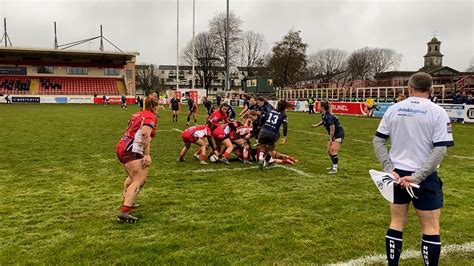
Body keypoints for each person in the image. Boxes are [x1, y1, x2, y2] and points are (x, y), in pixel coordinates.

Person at [372, 72, 454, 266]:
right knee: (430, 227)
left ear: (409, 88)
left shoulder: (394, 109)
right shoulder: (438, 112)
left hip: (397, 175)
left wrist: (388, 168)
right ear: (432, 90)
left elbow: (378, 140)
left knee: (396, 223)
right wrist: (417, 177)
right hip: (424, 178)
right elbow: (440, 149)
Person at [115, 97, 159, 223]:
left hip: (124, 145)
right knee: (139, 179)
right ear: (155, 107)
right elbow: (145, 134)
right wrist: (147, 155)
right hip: (131, 148)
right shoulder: (150, 116)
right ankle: (124, 211)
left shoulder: (138, 114)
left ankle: (128, 201)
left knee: (136, 177)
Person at [311, 101, 345, 174]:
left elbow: (332, 127)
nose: (317, 107)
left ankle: (335, 169)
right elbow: (323, 121)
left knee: (333, 150)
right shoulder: (324, 115)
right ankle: (333, 165)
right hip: (334, 134)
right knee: (329, 151)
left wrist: (330, 138)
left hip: (338, 134)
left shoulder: (328, 116)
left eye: (318, 106)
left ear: (322, 108)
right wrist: (316, 125)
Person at [257, 100, 290, 169]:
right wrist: (284, 137)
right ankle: (265, 162)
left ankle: (260, 157)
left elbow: (262, 118)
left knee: (262, 147)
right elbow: (285, 127)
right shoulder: (284, 115)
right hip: (272, 133)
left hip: (263, 131)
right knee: (271, 149)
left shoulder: (270, 110)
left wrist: (260, 126)